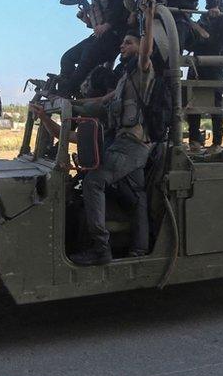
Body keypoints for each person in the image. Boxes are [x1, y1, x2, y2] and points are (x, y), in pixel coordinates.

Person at [66, 0, 157, 266]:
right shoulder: (123, 81)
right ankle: (140, 247)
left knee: (94, 181)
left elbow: (146, 52)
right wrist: (70, 105)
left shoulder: (142, 72)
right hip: (126, 144)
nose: (122, 46)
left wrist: (149, 18)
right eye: (122, 44)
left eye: (128, 43)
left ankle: (101, 249)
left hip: (132, 143)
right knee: (137, 195)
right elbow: (101, 102)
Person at [30, 62, 149, 259]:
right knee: (75, 198)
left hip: (126, 200)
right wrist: (44, 117)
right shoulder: (104, 127)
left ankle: (101, 248)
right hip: (116, 192)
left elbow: (93, 106)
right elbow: (65, 134)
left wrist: (66, 103)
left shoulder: (122, 133)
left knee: (90, 185)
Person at [58, 0, 128, 97]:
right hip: (101, 36)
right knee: (68, 57)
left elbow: (121, 6)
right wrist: (87, 20)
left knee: (86, 59)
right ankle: (72, 90)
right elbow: (99, 21)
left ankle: (67, 92)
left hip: (113, 36)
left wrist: (108, 25)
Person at [186, 11, 223, 151]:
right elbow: (192, 43)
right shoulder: (202, 20)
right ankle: (194, 141)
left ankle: (216, 143)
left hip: (214, 67)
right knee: (193, 107)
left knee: (216, 107)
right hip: (198, 67)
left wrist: (221, 18)